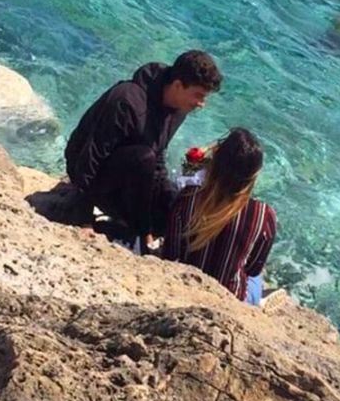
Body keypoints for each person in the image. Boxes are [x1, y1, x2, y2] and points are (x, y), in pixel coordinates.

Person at [64, 50, 222, 241]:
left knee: (177, 212)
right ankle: (124, 226)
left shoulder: (178, 109)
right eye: (198, 96)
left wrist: (166, 201)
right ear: (178, 85)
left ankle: (135, 229)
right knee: (144, 157)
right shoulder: (126, 100)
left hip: (132, 174)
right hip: (94, 173)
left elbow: (158, 157)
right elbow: (90, 158)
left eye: (204, 98)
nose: (201, 104)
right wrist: (83, 220)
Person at [163, 127, 277, 304]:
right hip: (228, 300)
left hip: (186, 288)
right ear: (254, 175)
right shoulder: (263, 214)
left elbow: (170, 254)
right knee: (256, 278)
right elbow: (253, 268)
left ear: (214, 163)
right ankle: (258, 301)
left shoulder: (188, 197)